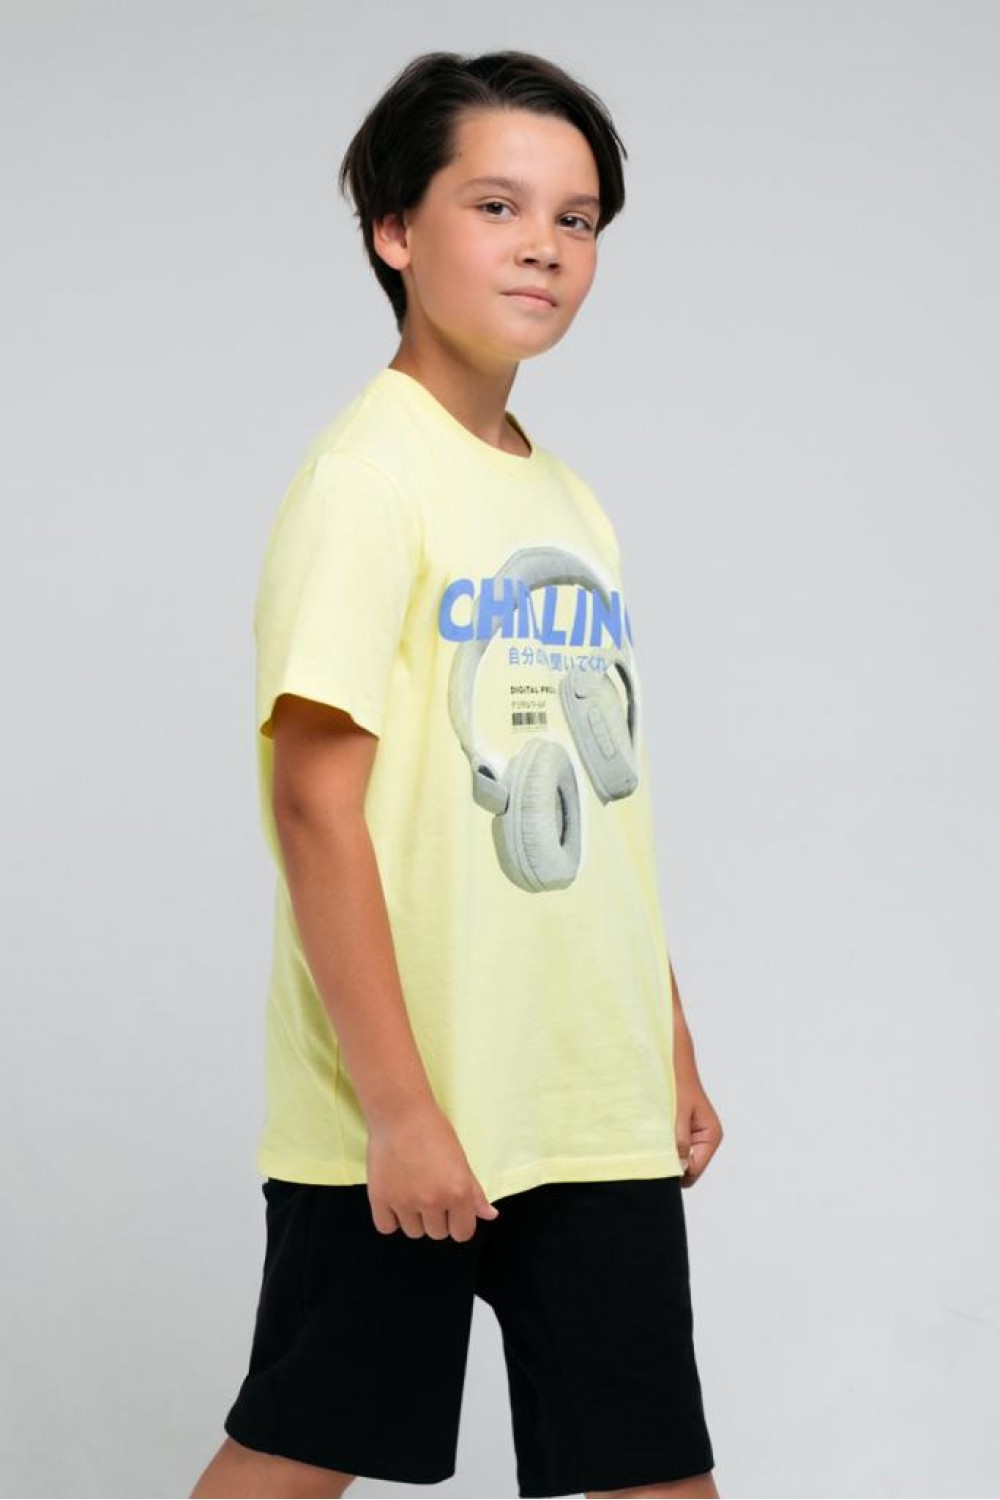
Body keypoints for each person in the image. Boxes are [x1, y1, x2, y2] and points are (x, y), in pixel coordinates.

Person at [191, 48, 724, 1500]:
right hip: (407, 1109)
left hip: (581, 1099)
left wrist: (665, 1040)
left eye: (577, 217)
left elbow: (598, 793)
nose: (545, 245)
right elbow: (315, 805)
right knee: (297, 1457)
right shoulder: (370, 479)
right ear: (395, 230)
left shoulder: (567, 501)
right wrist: (400, 1111)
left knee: (656, 1473)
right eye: (498, 205)